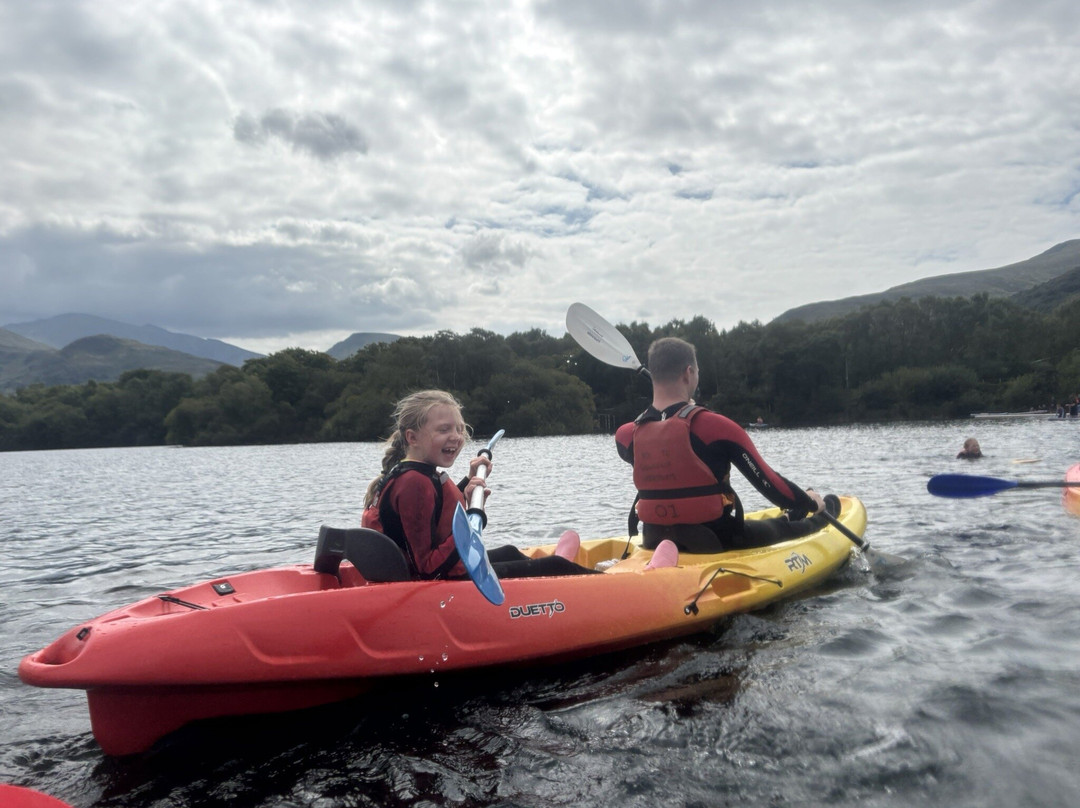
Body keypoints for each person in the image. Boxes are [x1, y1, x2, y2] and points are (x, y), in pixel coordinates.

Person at [615, 337, 836, 553]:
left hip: (654, 538)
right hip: (717, 539)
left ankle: (793, 515)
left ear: (654, 376)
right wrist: (810, 502)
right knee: (814, 512)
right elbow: (771, 485)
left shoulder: (626, 436)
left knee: (787, 516)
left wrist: (676, 415)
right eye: (697, 372)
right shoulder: (717, 427)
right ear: (688, 372)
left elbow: (665, 435)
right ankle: (818, 514)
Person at [362, 390, 602, 579]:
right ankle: (619, 589)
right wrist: (473, 516)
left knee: (509, 551)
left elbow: (435, 514)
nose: (456, 436)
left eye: (459, 428)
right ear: (412, 438)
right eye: (444, 429)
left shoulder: (419, 474)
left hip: (452, 569)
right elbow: (428, 568)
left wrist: (466, 483)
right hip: (444, 583)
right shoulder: (413, 482)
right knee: (555, 566)